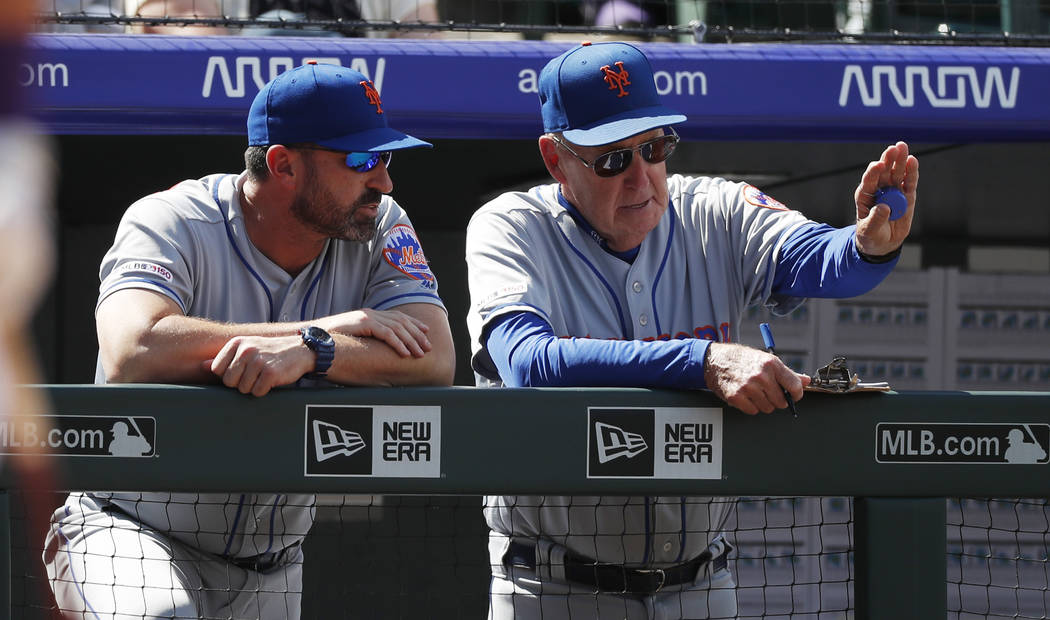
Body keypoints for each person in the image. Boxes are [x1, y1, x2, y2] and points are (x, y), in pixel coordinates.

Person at [465, 41, 918, 619]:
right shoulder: (510, 227)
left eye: (653, 148)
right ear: (557, 160)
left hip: (701, 586)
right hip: (556, 588)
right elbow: (529, 364)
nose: (640, 178)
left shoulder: (715, 209)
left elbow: (823, 261)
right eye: (612, 159)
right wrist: (702, 362)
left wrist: (866, 244)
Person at [43, 61, 455, 620]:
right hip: (131, 532)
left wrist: (314, 349)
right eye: (360, 159)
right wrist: (324, 328)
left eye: (385, 158)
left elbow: (434, 356)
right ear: (283, 164)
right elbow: (133, 348)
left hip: (273, 566)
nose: (383, 180)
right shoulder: (172, 219)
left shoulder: (378, 223)